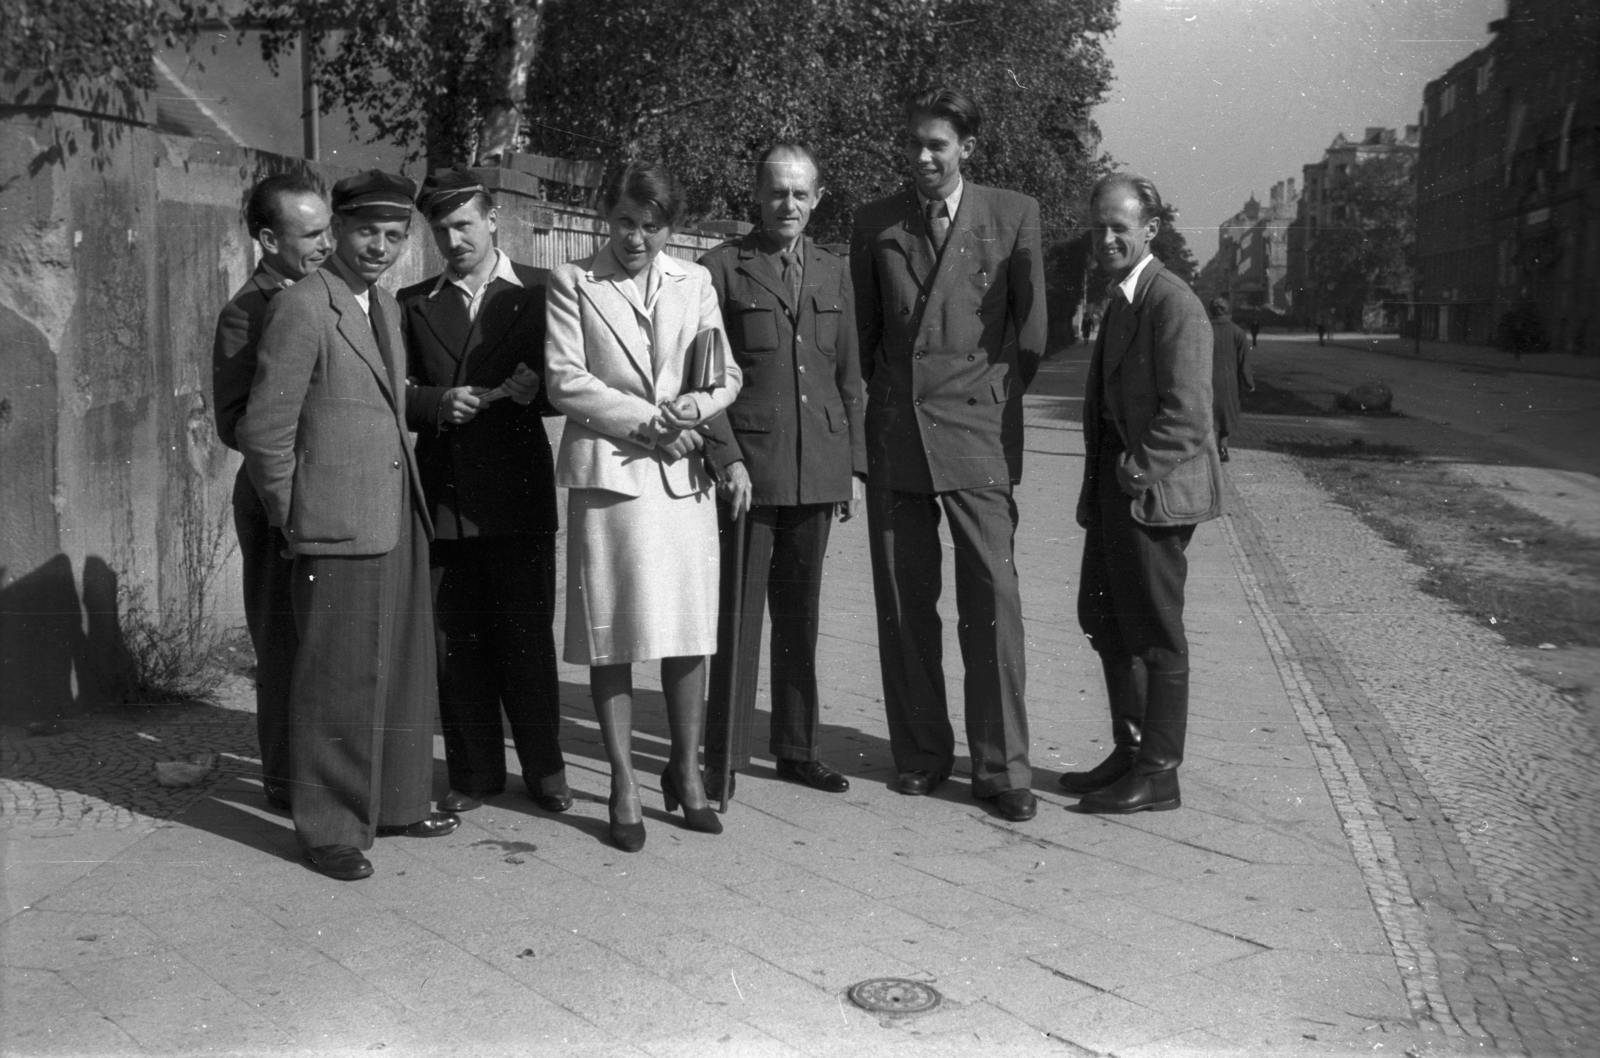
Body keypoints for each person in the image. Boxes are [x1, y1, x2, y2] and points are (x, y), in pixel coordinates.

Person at [238, 170, 459, 881]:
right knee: (336, 680)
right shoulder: (304, 306)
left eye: (396, 237)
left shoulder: (384, 308)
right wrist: (291, 518)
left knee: (398, 669)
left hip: (395, 512)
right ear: (337, 231)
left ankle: (396, 801)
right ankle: (329, 828)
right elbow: (265, 431)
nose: (382, 248)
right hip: (332, 523)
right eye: (368, 232)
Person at [850, 87, 1046, 823]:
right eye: (914, 144)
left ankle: (1002, 768)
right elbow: (865, 341)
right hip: (901, 436)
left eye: (938, 144)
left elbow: (1030, 337)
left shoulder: (1013, 213)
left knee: (993, 603)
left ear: (967, 146)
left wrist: (984, 403)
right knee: (905, 606)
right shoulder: (876, 222)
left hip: (977, 433)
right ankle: (922, 755)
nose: (924, 157)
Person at [544, 162, 742, 851]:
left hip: (681, 478)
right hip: (615, 475)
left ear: (670, 227)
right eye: (625, 221)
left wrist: (695, 406)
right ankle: (624, 782)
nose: (636, 237)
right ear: (608, 216)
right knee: (615, 632)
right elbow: (567, 381)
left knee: (688, 632)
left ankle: (684, 772)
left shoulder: (698, 282)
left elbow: (725, 373)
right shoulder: (574, 282)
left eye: (651, 225)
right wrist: (655, 422)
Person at [398, 167, 571, 817]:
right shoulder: (413, 303)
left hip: (518, 496)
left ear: (494, 219)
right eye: (441, 229)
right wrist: (439, 402)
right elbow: (397, 394)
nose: (453, 239)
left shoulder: (544, 290)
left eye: (464, 224)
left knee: (526, 636)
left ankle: (547, 769)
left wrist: (543, 393)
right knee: (456, 641)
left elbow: (578, 381)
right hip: (444, 498)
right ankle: (473, 772)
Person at [697, 144, 866, 803]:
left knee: (802, 615)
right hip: (751, 471)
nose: (787, 205)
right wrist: (726, 457)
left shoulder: (835, 271)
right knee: (737, 616)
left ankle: (798, 749)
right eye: (776, 193)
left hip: (816, 468)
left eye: (799, 193)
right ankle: (723, 758)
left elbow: (850, 377)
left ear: (818, 198)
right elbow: (705, 379)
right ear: (756, 197)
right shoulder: (721, 270)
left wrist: (851, 466)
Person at [1061, 172, 1222, 814]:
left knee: (1156, 635)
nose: (1106, 238)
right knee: (1105, 620)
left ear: (1149, 231)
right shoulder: (1126, 294)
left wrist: (1132, 469)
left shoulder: (1172, 302)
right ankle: (1130, 753)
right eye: (1098, 227)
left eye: (1119, 229)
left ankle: (1159, 773)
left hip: (1151, 495)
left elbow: (1189, 414)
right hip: (1117, 492)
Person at [212, 172, 331, 811]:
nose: (325, 243)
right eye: (310, 234)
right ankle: (286, 782)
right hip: (273, 501)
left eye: (327, 229)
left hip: (335, 496)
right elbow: (234, 421)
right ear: (267, 240)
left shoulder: (329, 294)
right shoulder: (248, 310)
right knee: (282, 643)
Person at [1207, 296, 1254, 463]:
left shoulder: (1203, 329)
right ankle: (1223, 447)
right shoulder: (1238, 332)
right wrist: (1249, 382)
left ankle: (1210, 449)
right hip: (1229, 382)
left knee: (1209, 413)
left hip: (1207, 380)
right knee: (1226, 414)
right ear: (1228, 312)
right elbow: (1244, 361)